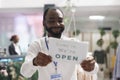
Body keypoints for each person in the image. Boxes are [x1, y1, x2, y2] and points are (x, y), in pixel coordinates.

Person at [20, 7, 99, 80]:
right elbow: (24, 72)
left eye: (60, 21)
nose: (56, 24)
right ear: (44, 23)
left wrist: (92, 66)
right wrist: (35, 61)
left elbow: (94, 69)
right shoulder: (37, 45)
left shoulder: (73, 44)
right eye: (51, 21)